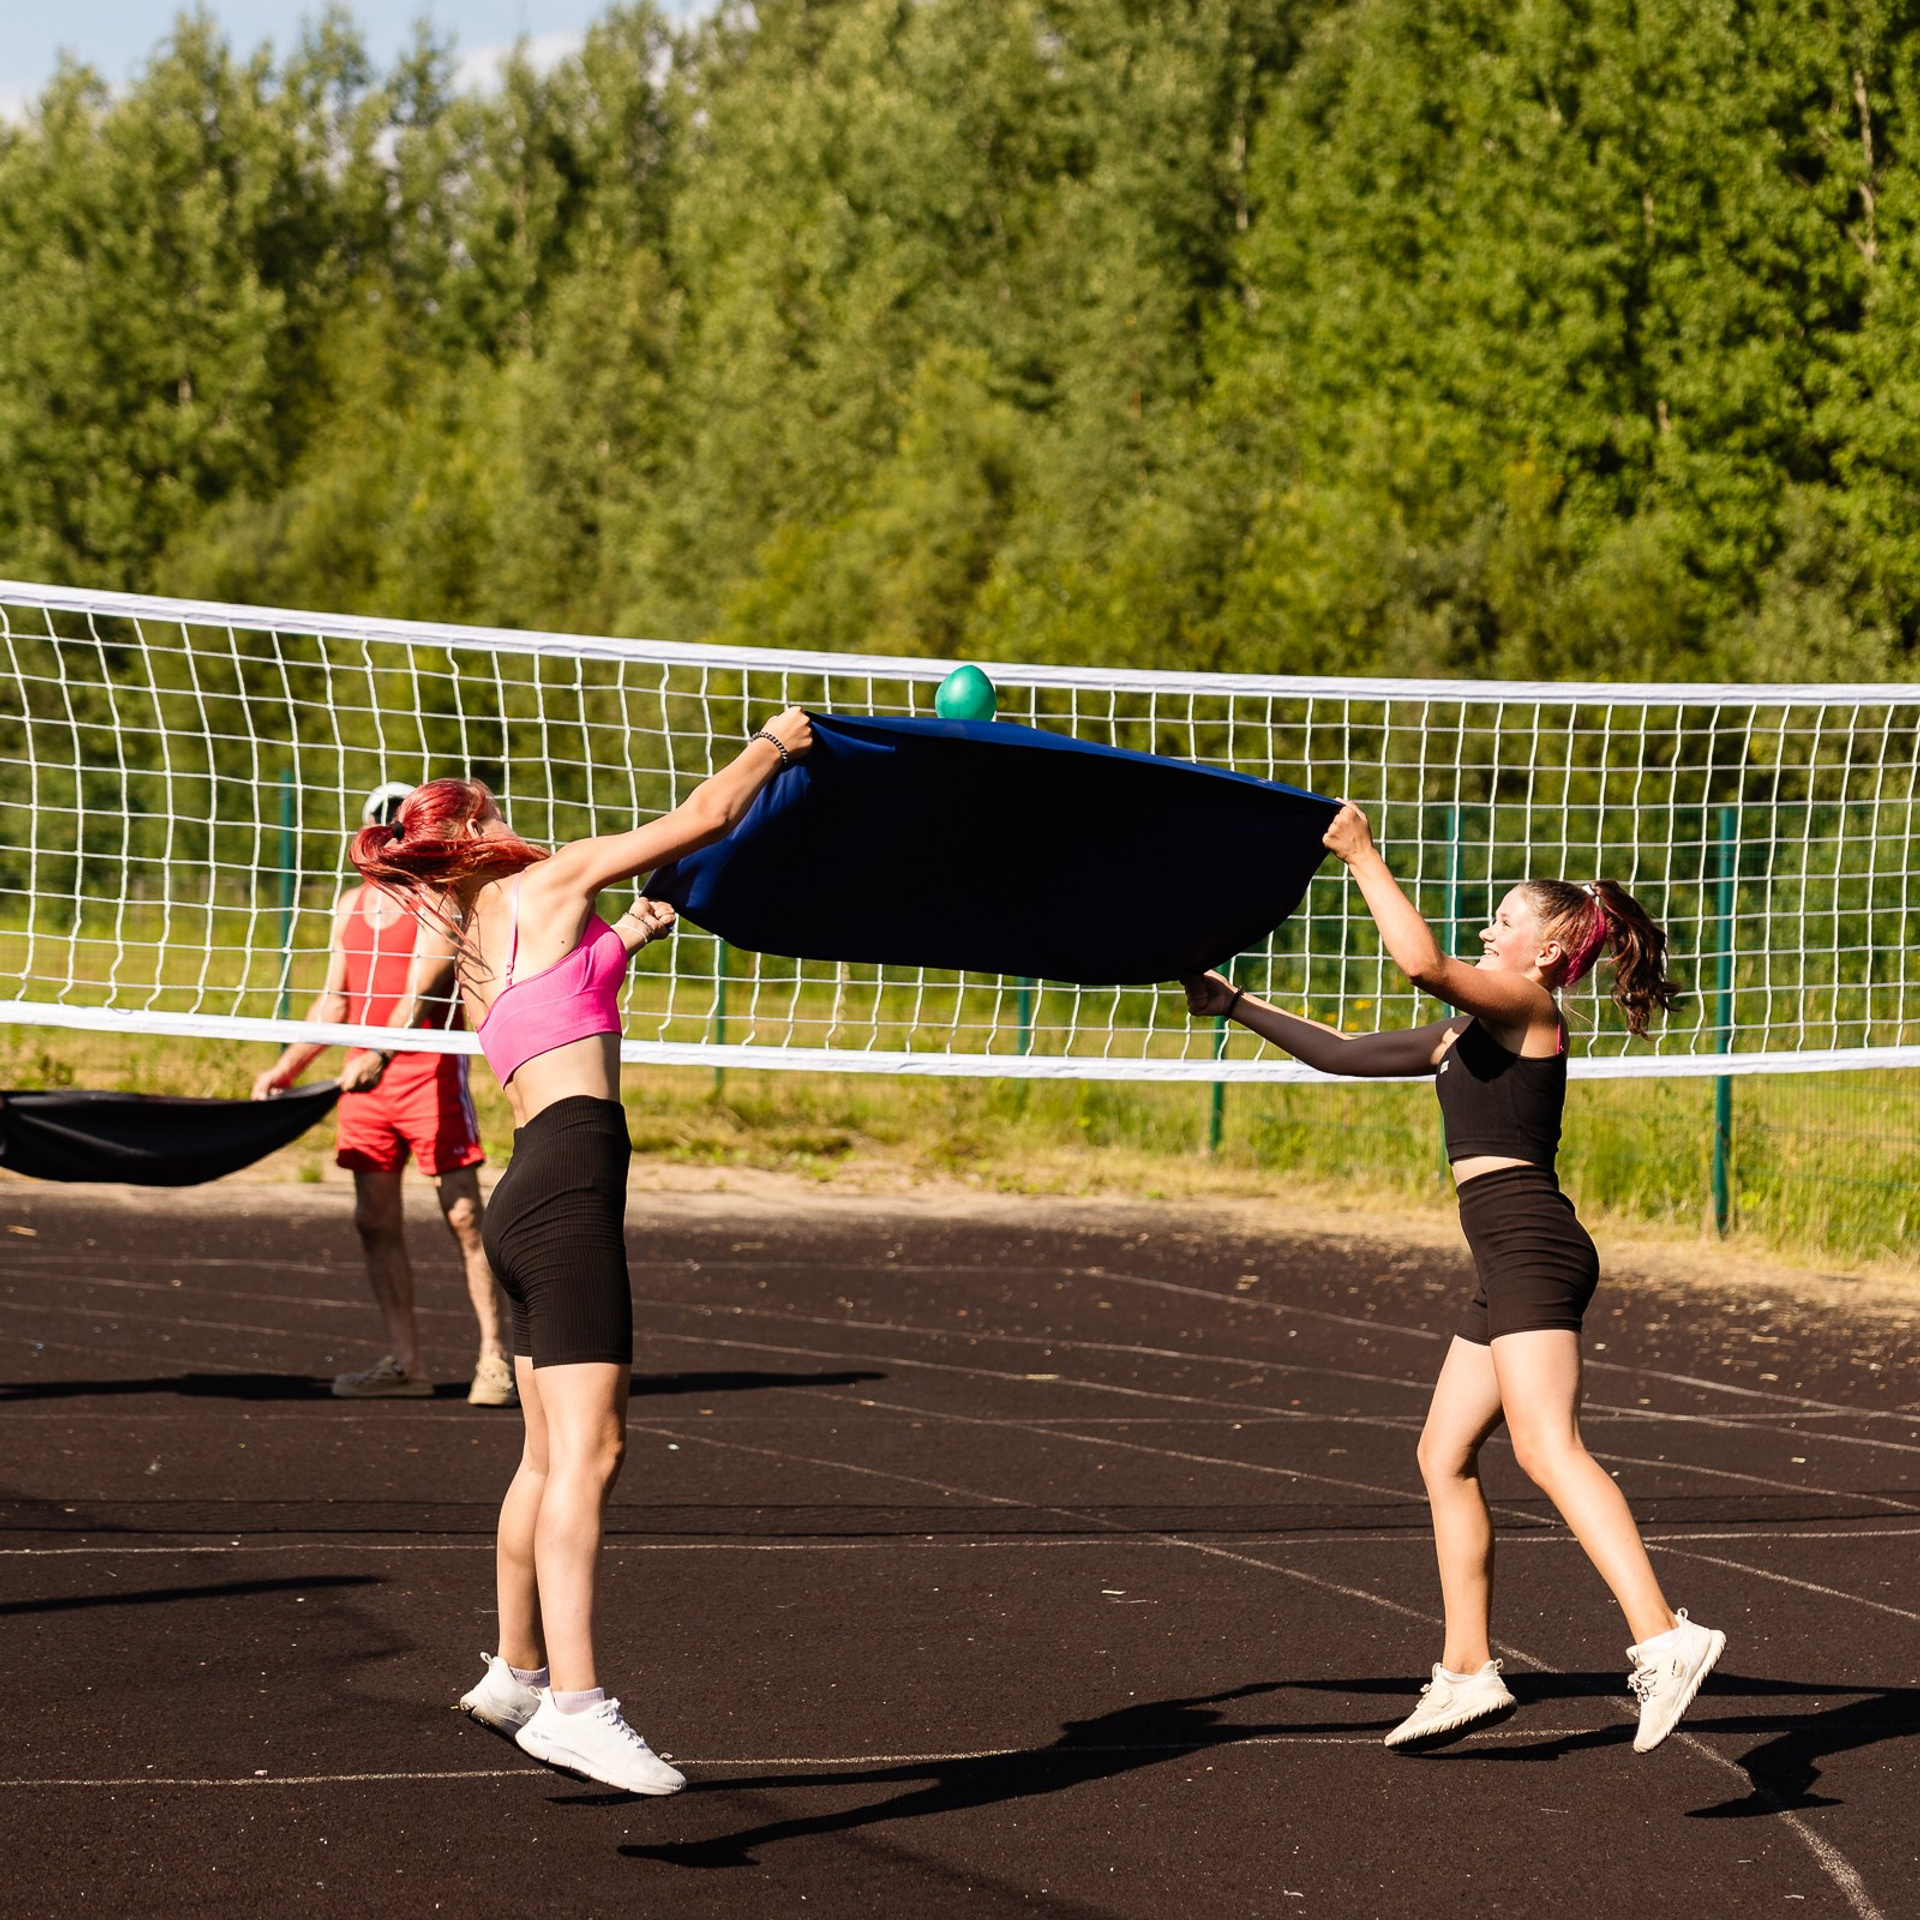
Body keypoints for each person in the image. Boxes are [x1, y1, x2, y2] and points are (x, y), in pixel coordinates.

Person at [1182, 803, 1726, 1756]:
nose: (1489, 928)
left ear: (1554, 949)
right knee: (1442, 1456)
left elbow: (1423, 962)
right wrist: (1233, 1004)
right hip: (1506, 1256)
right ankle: (1469, 1671)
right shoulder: (1461, 1037)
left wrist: (1361, 856)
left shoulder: (1529, 1010)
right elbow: (1346, 1054)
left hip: (1532, 1247)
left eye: (1507, 919)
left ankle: (1666, 1636)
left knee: (1546, 1448)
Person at [345, 711, 812, 1796]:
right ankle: (577, 1707)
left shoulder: (469, 940)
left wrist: (629, 940)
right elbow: (706, 816)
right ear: (474, 831)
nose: (515, 822)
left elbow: (562, 1003)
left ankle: (514, 1673)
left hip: (528, 1191)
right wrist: (777, 746)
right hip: (565, 1192)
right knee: (592, 1458)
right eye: (495, 812)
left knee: (548, 1460)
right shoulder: (546, 884)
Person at [253, 783, 513, 1406]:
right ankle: (405, 1363)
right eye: (384, 828)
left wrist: (381, 1052)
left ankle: (495, 1360)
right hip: (362, 1081)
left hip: (425, 1071)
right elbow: (335, 999)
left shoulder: (439, 901)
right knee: (374, 1219)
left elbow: (416, 995)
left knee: (464, 1218)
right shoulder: (350, 905)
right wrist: (288, 1068)